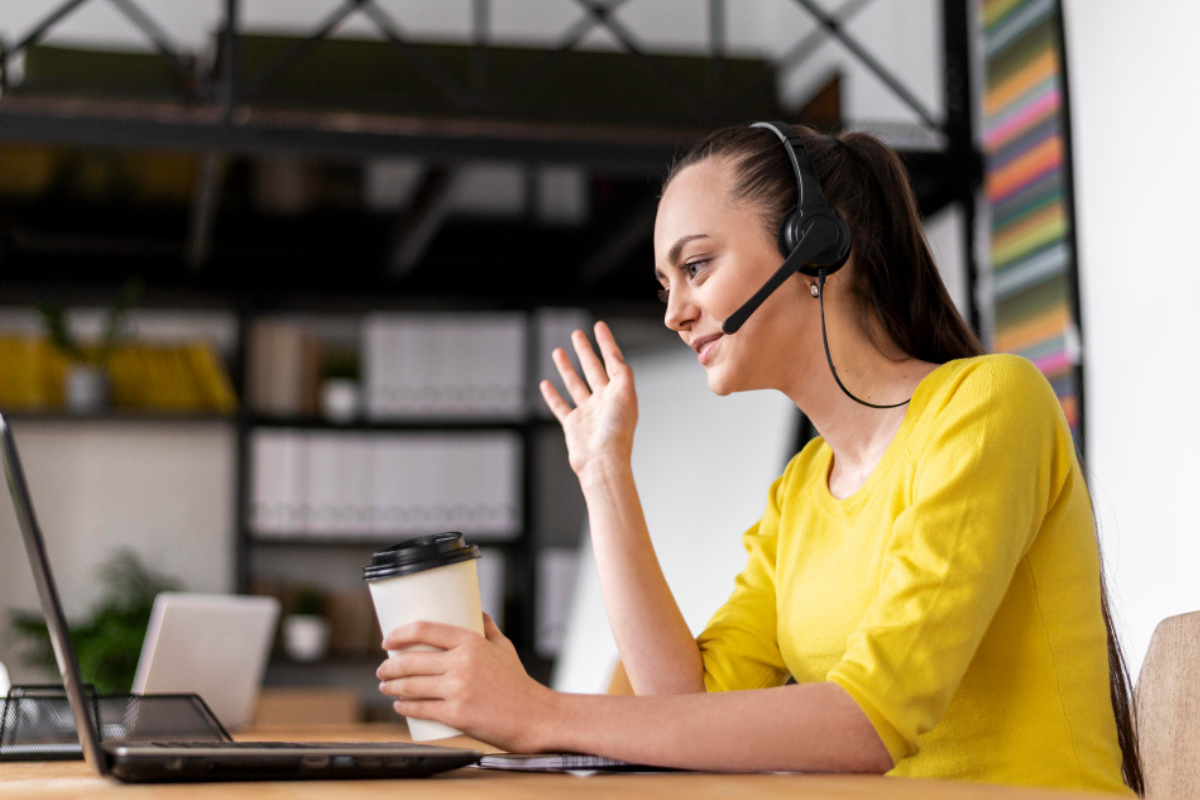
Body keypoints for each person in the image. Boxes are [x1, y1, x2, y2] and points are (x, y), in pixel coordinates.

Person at [375, 122, 1140, 794]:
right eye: (665, 283)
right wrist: (603, 473)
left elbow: (867, 724)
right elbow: (685, 706)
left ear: (814, 246)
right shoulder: (803, 491)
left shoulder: (990, 405)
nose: (674, 311)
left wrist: (540, 713)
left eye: (696, 267)